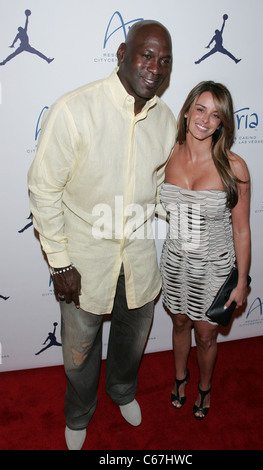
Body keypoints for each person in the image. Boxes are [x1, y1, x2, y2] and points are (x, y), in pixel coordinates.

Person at [28, 20, 176, 450]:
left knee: (132, 343)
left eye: (164, 61)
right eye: (146, 55)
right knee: (79, 353)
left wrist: (198, 211)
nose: (155, 68)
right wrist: (59, 261)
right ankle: (78, 414)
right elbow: (44, 188)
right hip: (82, 263)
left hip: (139, 261)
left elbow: (161, 189)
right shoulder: (75, 109)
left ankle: (122, 391)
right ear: (121, 55)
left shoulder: (165, 120)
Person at [159, 81, 251, 419]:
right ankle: (180, 378)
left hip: (214, 269)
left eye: (216, 115)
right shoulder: (166, 154)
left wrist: (241, 282)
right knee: (180, 324)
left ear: (222, 123)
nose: (205, 119)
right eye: (200, 109)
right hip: (175, 264)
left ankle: (205, 388)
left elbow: (241, 228)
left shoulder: (233, 167)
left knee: (206, 335)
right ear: (186, 111)